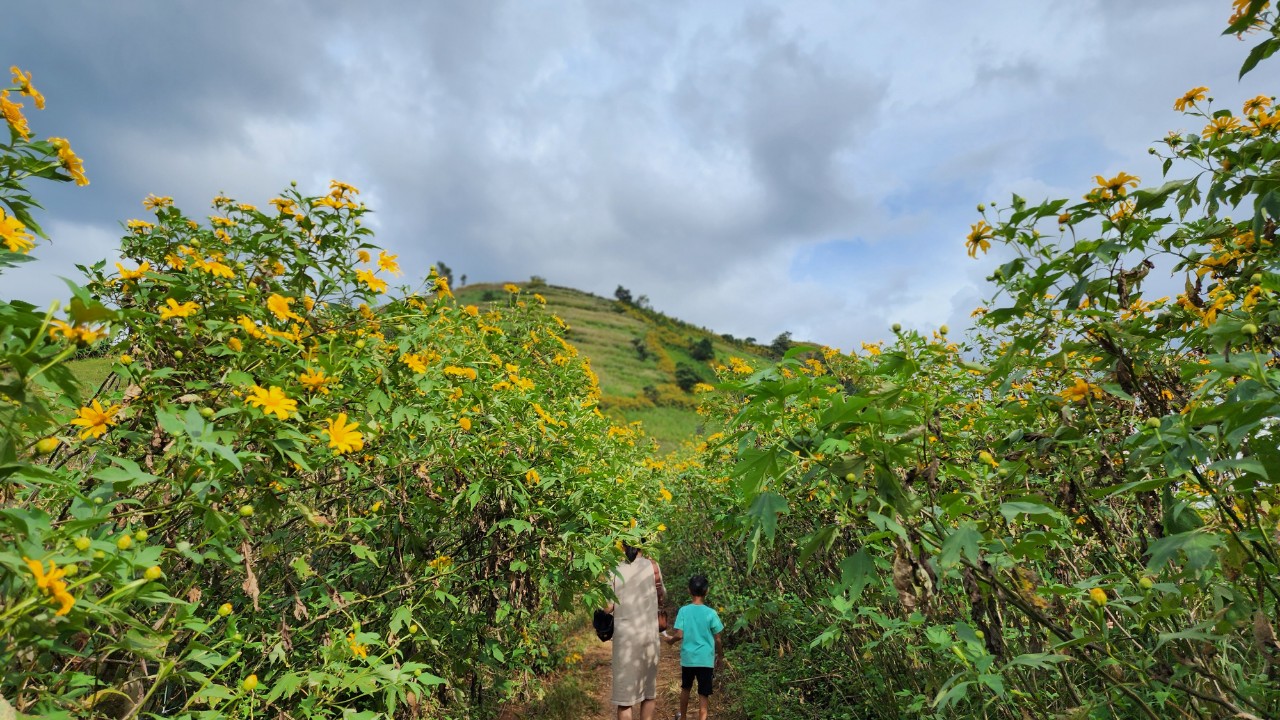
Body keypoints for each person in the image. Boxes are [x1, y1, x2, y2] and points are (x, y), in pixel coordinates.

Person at [604, 541, 666, 720]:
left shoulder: (614, 569)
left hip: (625, 640)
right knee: (648, 693)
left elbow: (608, 607)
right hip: (648, 636)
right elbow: (661, 597)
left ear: (621, 545)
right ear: (643, 545)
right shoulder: (652, 566)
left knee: (625, 700)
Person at [662, 574, 723, 720]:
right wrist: (720, 655)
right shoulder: (711, 613)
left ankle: (682, 717)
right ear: (706, 591)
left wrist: (670, 641)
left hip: (688, 659)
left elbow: (679, 635)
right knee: (703, 694)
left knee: (686, 688)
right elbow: (718, 639)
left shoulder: (684, 611)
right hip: (705, 660)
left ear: (689, 591)